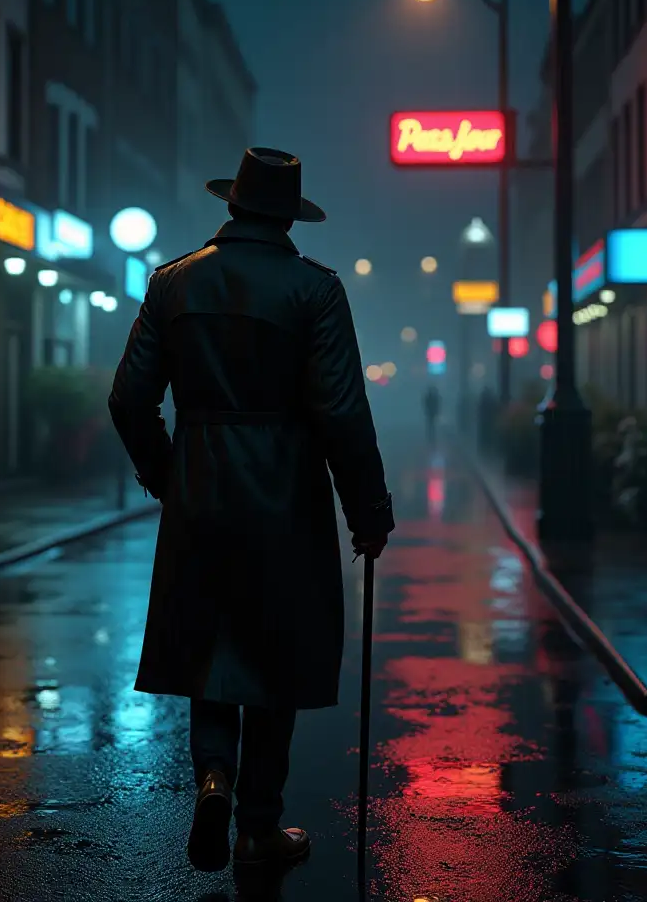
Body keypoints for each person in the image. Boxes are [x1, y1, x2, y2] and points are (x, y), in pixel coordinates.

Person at [108, 147, 394, 874]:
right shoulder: (315, 290)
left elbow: (129, 397)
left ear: (231, 205)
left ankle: (213, 776)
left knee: (210, 647)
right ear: (289, 215)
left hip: (199, 487)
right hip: (286, 494)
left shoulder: (172, 283)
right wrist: (368, 509)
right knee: (277, 653)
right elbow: (341, 412)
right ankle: (258, 826)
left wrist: (165, 472)